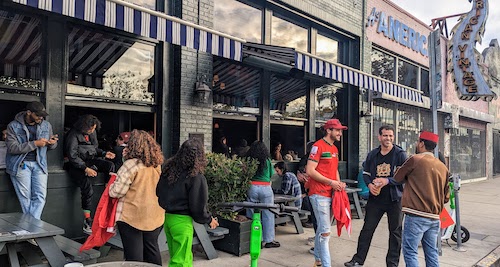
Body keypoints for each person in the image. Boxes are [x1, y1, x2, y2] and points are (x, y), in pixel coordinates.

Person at [345, 125, 407, 267]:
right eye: (385, 135)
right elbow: (366, 174)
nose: (388, 138)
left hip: (394, 199)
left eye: (391, 135)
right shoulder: (373, 154)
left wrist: (387, 181)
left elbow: (404, 177)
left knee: (395, 233)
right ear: (379, 137)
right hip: (376, 199)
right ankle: (358, 260)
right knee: (367, 229)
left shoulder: (400, 154)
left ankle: (392, 264)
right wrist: (369, 185)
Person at [156, 138, 219, 266]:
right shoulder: (196, 177)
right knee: (181, 262)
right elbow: (198, 208)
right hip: (182, 222)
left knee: (178, 257)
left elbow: (158, 192)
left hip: (168, 218)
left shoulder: (169, 171)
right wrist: (209, 219)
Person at [394, 131, 450, 267]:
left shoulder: (415, 159)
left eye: (418, 141)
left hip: (416, 215)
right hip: (435, 216)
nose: (416, 144)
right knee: (431, 252)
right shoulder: (443, 167)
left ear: (422, 144)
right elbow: (446, 197)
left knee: (410, 252)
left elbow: (397, 178)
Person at [109, 130, 165, 265]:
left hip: (132, 216)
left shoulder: (130, 165)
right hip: (154, 214)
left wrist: (112, 182)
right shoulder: (156, 164)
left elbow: (116, 192)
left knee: (134, 256)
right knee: (152, 249)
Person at [5, 101, 58, 219]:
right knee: (25, 198)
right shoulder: (13, 126)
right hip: (20, 164)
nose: (41, 117)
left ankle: (31, 227)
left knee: (40, 196)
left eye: (42, 115)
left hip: (40, 164)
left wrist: (52, 143)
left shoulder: (46, 125)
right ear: (29, 113)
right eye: (38, 115)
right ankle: (34, 228)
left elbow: (51, 147)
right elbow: (13, 148)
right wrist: (35, 144)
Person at [306, 119, 347, 267]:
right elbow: (310, 170)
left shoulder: (334, 149)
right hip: (319, 194)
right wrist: (332, 183)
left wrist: (338, 183)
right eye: (337, 130)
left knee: (323, 231)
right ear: (328, 130)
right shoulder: (318, 146)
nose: (340, 133)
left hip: (331, 194)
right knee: (325, 233)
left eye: (341, 130)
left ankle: (318, 260)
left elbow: (334, 170)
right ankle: (326, 264)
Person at [65, 114, 115, 233]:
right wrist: (85, 168)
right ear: (83, 126)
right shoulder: (73, 135)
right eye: (90, 129)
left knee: (110, 166)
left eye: (94, 128)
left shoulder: (92, 133)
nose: (92, 131)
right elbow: (72, 156)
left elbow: (93, 150)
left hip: (89, 160)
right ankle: (87, 220)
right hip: (75, 165)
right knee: (87, 188)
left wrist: (103, 153)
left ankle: (109, 190)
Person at [246, 140, 280, 248]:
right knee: (268, 214)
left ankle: (255, 238)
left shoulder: (249, 160)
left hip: (252, 187)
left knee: (252, 213)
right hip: (266, 188)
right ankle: (268, 240)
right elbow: (272, 175)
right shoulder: (267, 160)